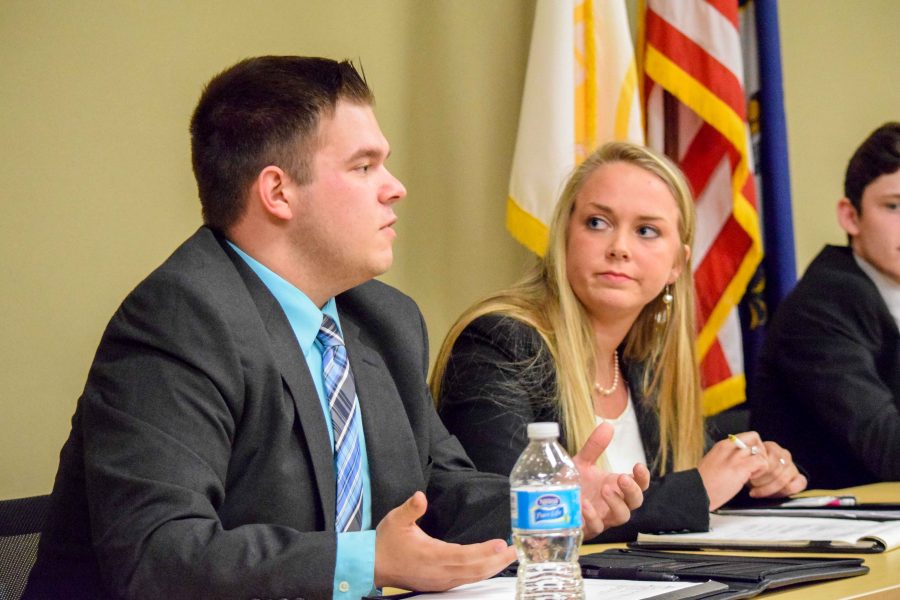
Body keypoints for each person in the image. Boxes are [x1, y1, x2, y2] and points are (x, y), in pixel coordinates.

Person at [23, 57, 649, 600]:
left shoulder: (383, 319)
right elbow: (158, 556)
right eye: (364, 166)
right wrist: (366, 561)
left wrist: (545, 501)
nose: (395, 188)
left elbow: (440, 493)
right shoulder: (180, 321)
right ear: (278, 191)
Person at [433, 141, 807, 542]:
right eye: (597, 223)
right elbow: (498, 519)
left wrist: (755, 475)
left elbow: (694, 487)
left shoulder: (643, 365)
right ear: (563, 236)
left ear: (676, 266)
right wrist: (699, 488)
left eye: (646, 231)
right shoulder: (498, 344)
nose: (619, 248)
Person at [749, 122, 900, 489]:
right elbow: (888, 448)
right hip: (817, 532)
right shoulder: (824, 305)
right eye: (894, 206)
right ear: (850, 216)